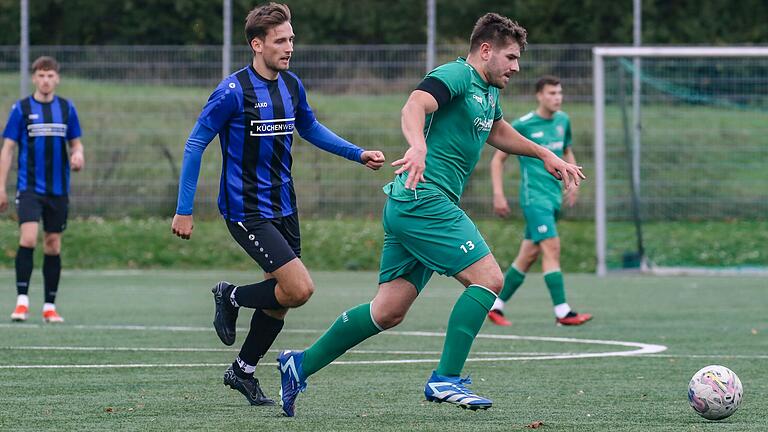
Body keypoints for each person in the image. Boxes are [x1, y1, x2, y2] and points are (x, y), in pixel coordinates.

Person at [276, 13, 584, 417]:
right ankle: (446, 378)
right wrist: (417, 145)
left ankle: (299, 365)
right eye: (510, 57)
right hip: (424, 199)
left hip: (413, 204)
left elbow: (497, 131)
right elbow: (415, 104)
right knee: (490, 279)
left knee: (387, 311)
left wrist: (545, 154)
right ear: (485, 50)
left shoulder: (488, 91)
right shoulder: (456, 75)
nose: (516, 66)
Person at [171, 2, 384, 407]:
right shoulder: (231, 92)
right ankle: (229, 296)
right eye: (280, 40)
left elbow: (310, 128)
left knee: (282, 298)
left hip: (285, 206)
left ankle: (243, 372)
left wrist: (357, 154)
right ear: (257, 44)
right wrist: (184, 208)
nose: (289, 47)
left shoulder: (292, 85)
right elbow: (195, 144)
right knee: (299, 288)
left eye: (291, 39)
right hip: (246, 209)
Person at [487, 76, 592, 327]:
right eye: (552, 93)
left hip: (553, 197)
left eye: (560, 92)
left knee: (529, 255)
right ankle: (562, 311)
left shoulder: (563, 120)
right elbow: (497, 160)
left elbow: (566, 150)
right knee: (552, 247)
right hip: (534, 199)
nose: (558, 97)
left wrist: (573, 179)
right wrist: (499, 194)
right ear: (539, 96)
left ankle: (496, 306)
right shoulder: (524, 125)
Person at [0, 56, 84, 324]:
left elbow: (77, 144)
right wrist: (1, 186)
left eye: (50, 75)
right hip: (29, 188)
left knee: (52, 243)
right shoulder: (21, 109)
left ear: (57, 78)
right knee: (27, 238)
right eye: (41, 75)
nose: (46, 80)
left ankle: (49, 305)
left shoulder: (67, 108)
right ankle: (22, 302)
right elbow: (8, 149)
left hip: (58, 190)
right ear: (34, 78)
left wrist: (78, 156)